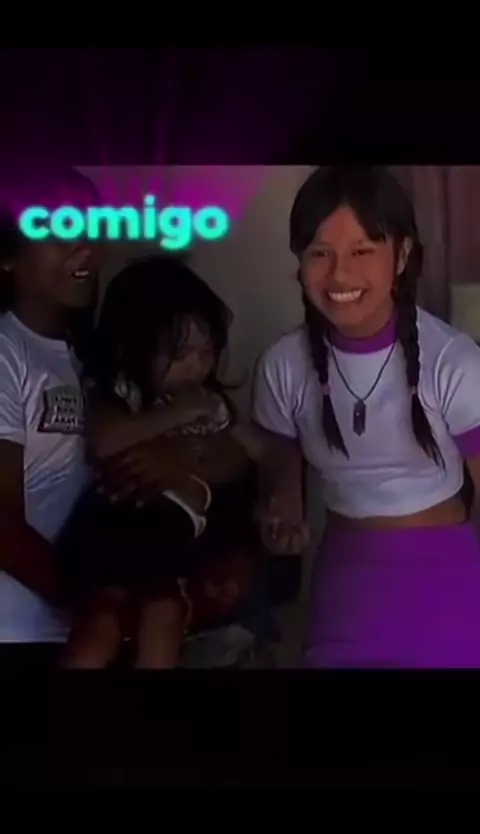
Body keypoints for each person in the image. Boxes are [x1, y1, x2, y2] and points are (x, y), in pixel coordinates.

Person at [252, 165, 480, 669]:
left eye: (362, 251)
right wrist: (282, 511)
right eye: (320, 253)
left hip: (447, 578)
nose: (340, 275)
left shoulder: (454, 361)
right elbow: (280, 467)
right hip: (345, 579)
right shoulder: (282, 364)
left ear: (401, 254)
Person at [56, 255, 269, 669]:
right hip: (112, 531)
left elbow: (259, 450)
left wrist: (279, 492)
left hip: (168, 541)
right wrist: (175, 414)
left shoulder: (211, 405)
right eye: (180, 353)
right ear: (130, 350)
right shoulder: (122, 392)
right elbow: (104, 440)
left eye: (206, 351)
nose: (197, 365)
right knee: (100, 628)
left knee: (164, 614)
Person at [0, 167, 102, 669]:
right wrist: (88, 603)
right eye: (60, 230)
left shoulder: (88, 358)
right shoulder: (5, 353)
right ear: (7, 255)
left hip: (68, 632)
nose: (84, 247)